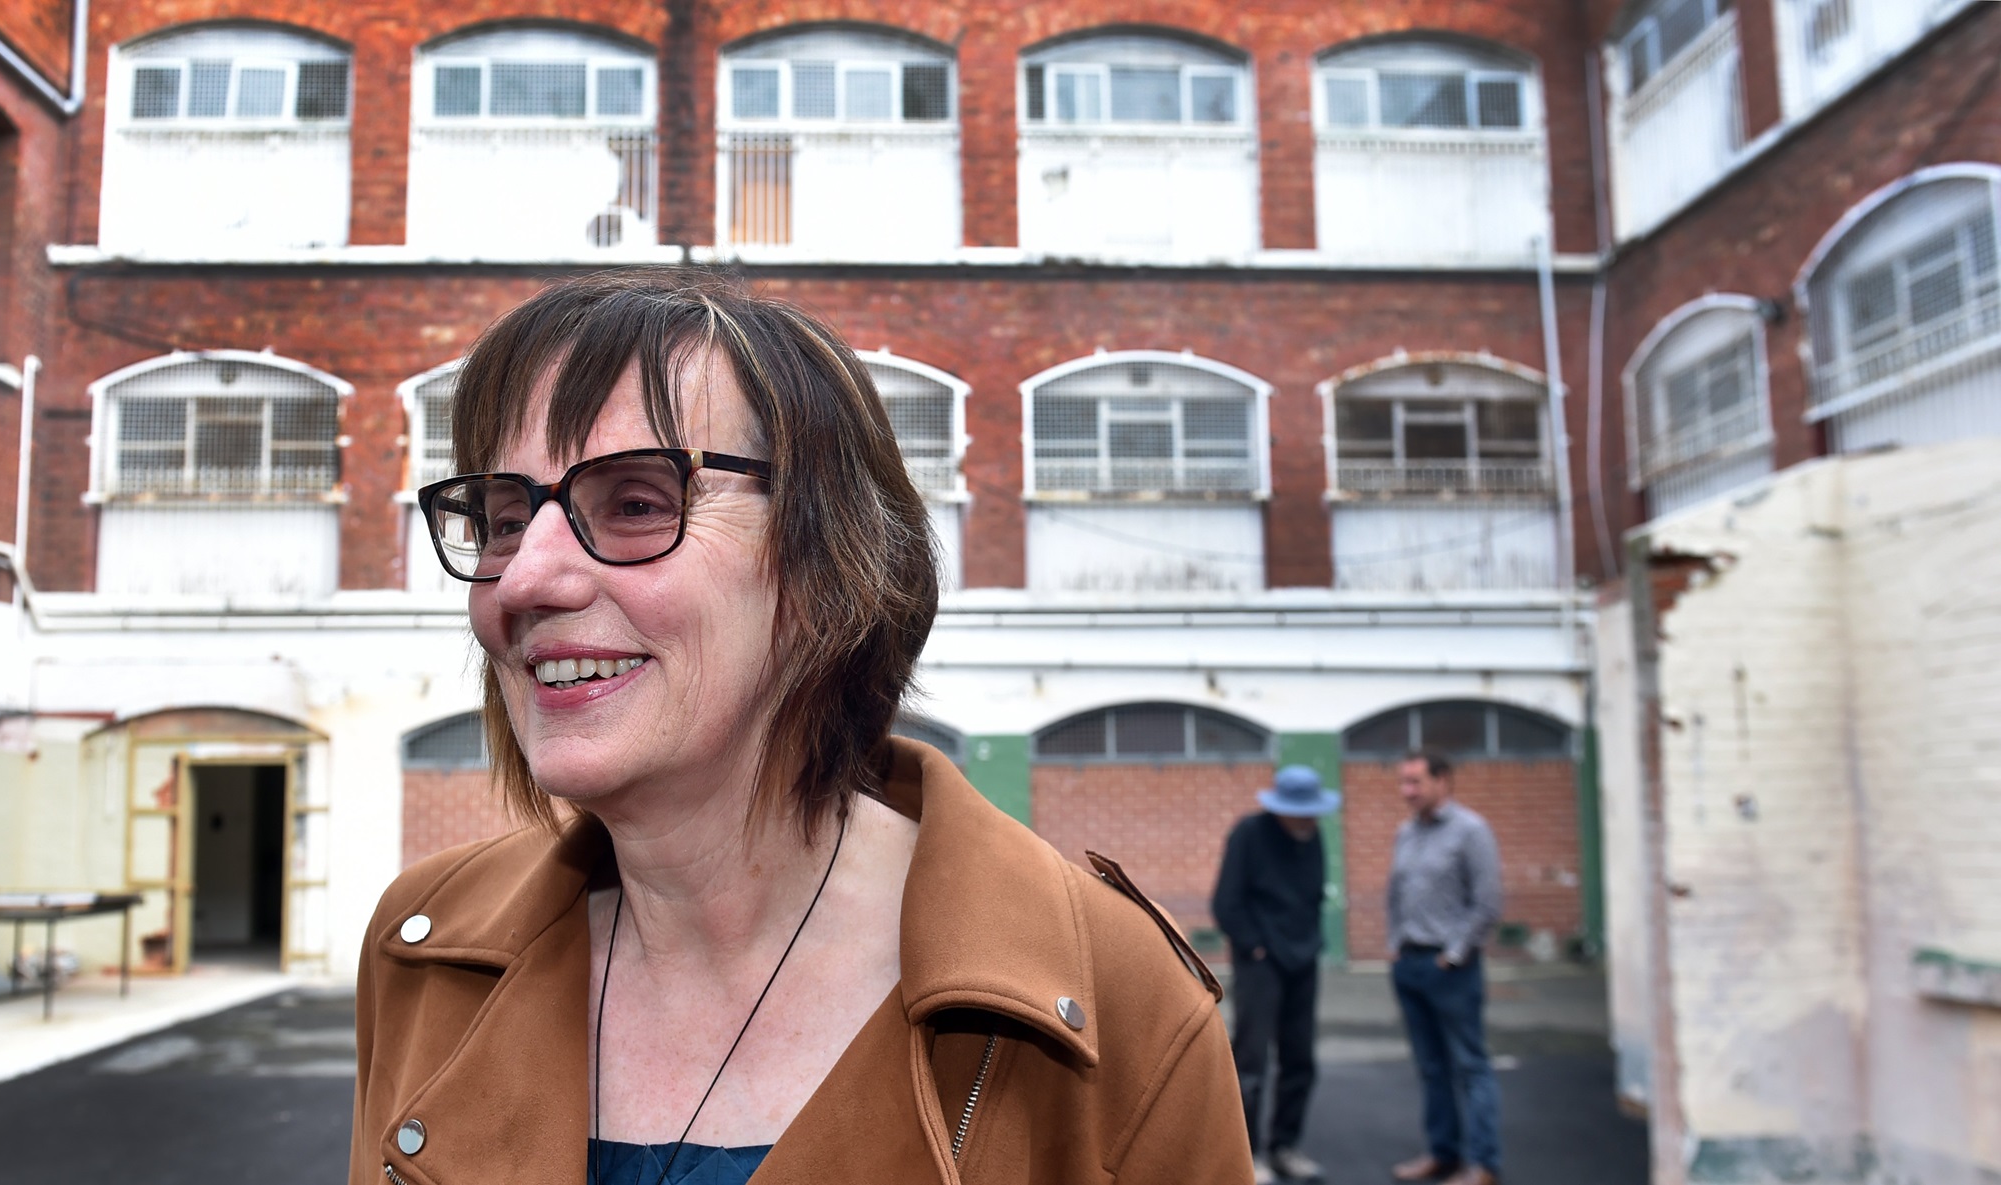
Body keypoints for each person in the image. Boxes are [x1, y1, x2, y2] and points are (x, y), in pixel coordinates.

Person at [349, 271, 1254, 1185]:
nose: (523, 580)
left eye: (636, 503)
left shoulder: (1116, 995)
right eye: (505, 520)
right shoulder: (421, 948)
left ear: (829, 568)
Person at [1211, 764, 1340, 1183]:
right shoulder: (1249, 834)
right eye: (1298, 812)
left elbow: (1314, 895)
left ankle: (1285, 1146)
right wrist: (1255, 947)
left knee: (1300, 1059)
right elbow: (1226, 902)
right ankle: (1247, 1157)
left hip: (1303, 961)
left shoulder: (1312, 835)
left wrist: (1312, 945)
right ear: (1280, 808)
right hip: (1261, 964)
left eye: (1311, 813)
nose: (1306, 820)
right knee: (1251, 1063)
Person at [1386, 749, 1504, 1185]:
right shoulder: (1405, 833)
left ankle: (1484, 1164)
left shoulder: (1471, 831)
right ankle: (1442, 1154)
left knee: (1470, 1066)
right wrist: (1395, 944)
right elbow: (1395, 895)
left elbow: (1488, 903)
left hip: (1451, 968)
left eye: (1415, 782)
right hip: (1410, 964)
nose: (1407, 791)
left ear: (1443, 782)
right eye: (1403, 782)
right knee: (1430, 1067)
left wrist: (1453, 954)